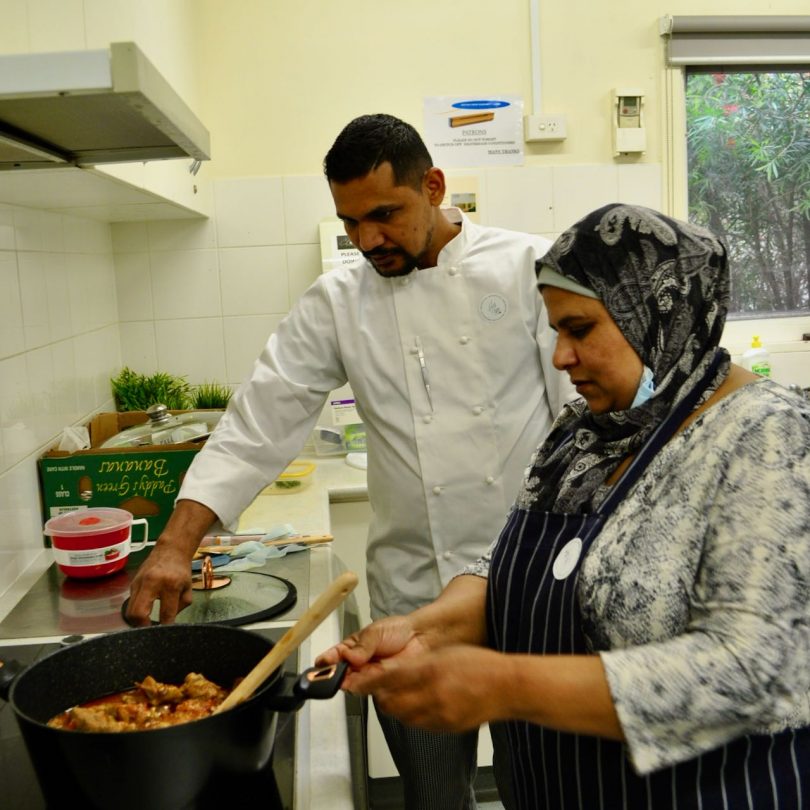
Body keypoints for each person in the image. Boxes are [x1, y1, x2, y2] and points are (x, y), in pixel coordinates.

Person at [125, 113, 574, 809]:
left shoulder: (528, 270)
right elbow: (259, 420)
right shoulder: (340, 300)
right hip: (412, 600)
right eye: (350, 222)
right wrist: (177, 543)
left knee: (542, 787)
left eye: (385, 216)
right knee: (431, 794)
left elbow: (585, 425)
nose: (367, 241)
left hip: (529, 591)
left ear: (433, 186)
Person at [318, 203, 810, 809]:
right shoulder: (582, 430)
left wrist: (504, 685)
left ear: (655, 317)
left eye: (580, 330)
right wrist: (424, 630)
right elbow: (508, 566)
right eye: (556, 331)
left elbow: (752, 671)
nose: (560, 357)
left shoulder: (766, 438)